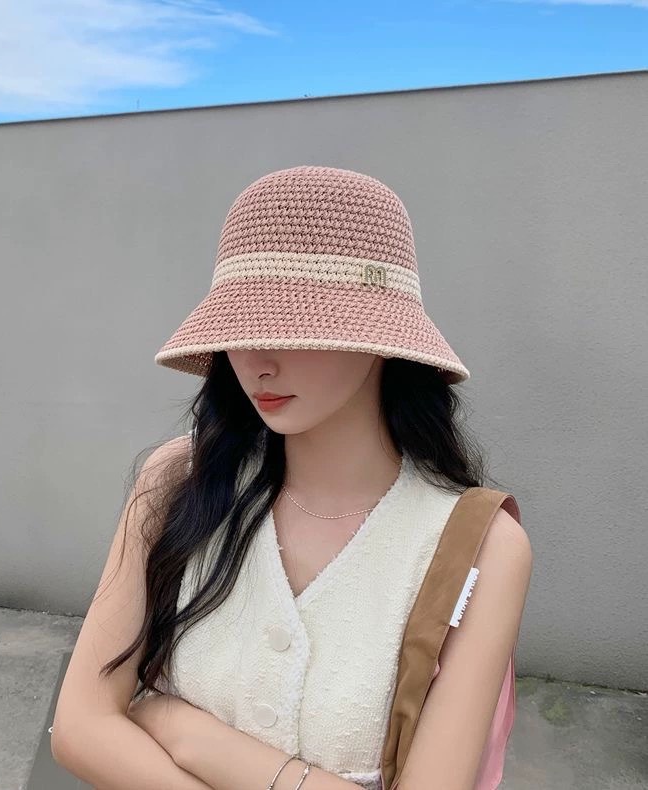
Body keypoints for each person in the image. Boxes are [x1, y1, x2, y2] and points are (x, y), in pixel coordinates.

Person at [51, 165, 533, 790]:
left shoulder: (481, 548)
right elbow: (80, 728)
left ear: (381, 334)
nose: (257, 358)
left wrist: (185, 731)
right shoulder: (177, 480)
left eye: (297, 324)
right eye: (238, 326)